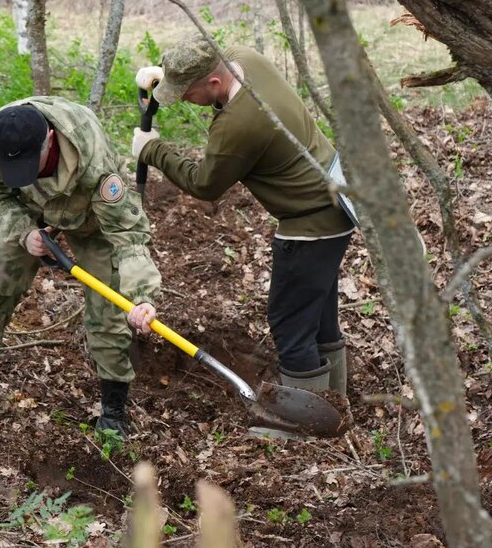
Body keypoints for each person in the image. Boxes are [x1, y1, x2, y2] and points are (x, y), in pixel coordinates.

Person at [131, 36, 354, 396]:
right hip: (338, 199)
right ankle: (335, 400)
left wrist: (152, 149)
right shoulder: (245, 59)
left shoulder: (239, 123)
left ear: (213, 84)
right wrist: (167, 74)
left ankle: (308, 421)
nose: (185, 100)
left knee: (290, 325)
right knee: (317, 313)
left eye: (187, 93)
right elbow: (203, 66)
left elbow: (204, 184)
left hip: (309, 225)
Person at [0, 96, 161, 437]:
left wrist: (142, 295)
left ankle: (114, 412)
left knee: (109, 309)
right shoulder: (0, 134)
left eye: (32, 162)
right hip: (31, 214)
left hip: (92, 219)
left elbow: (127, 233)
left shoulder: (91, 156)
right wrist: (25, 232)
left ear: (51, 141)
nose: (24, 170)